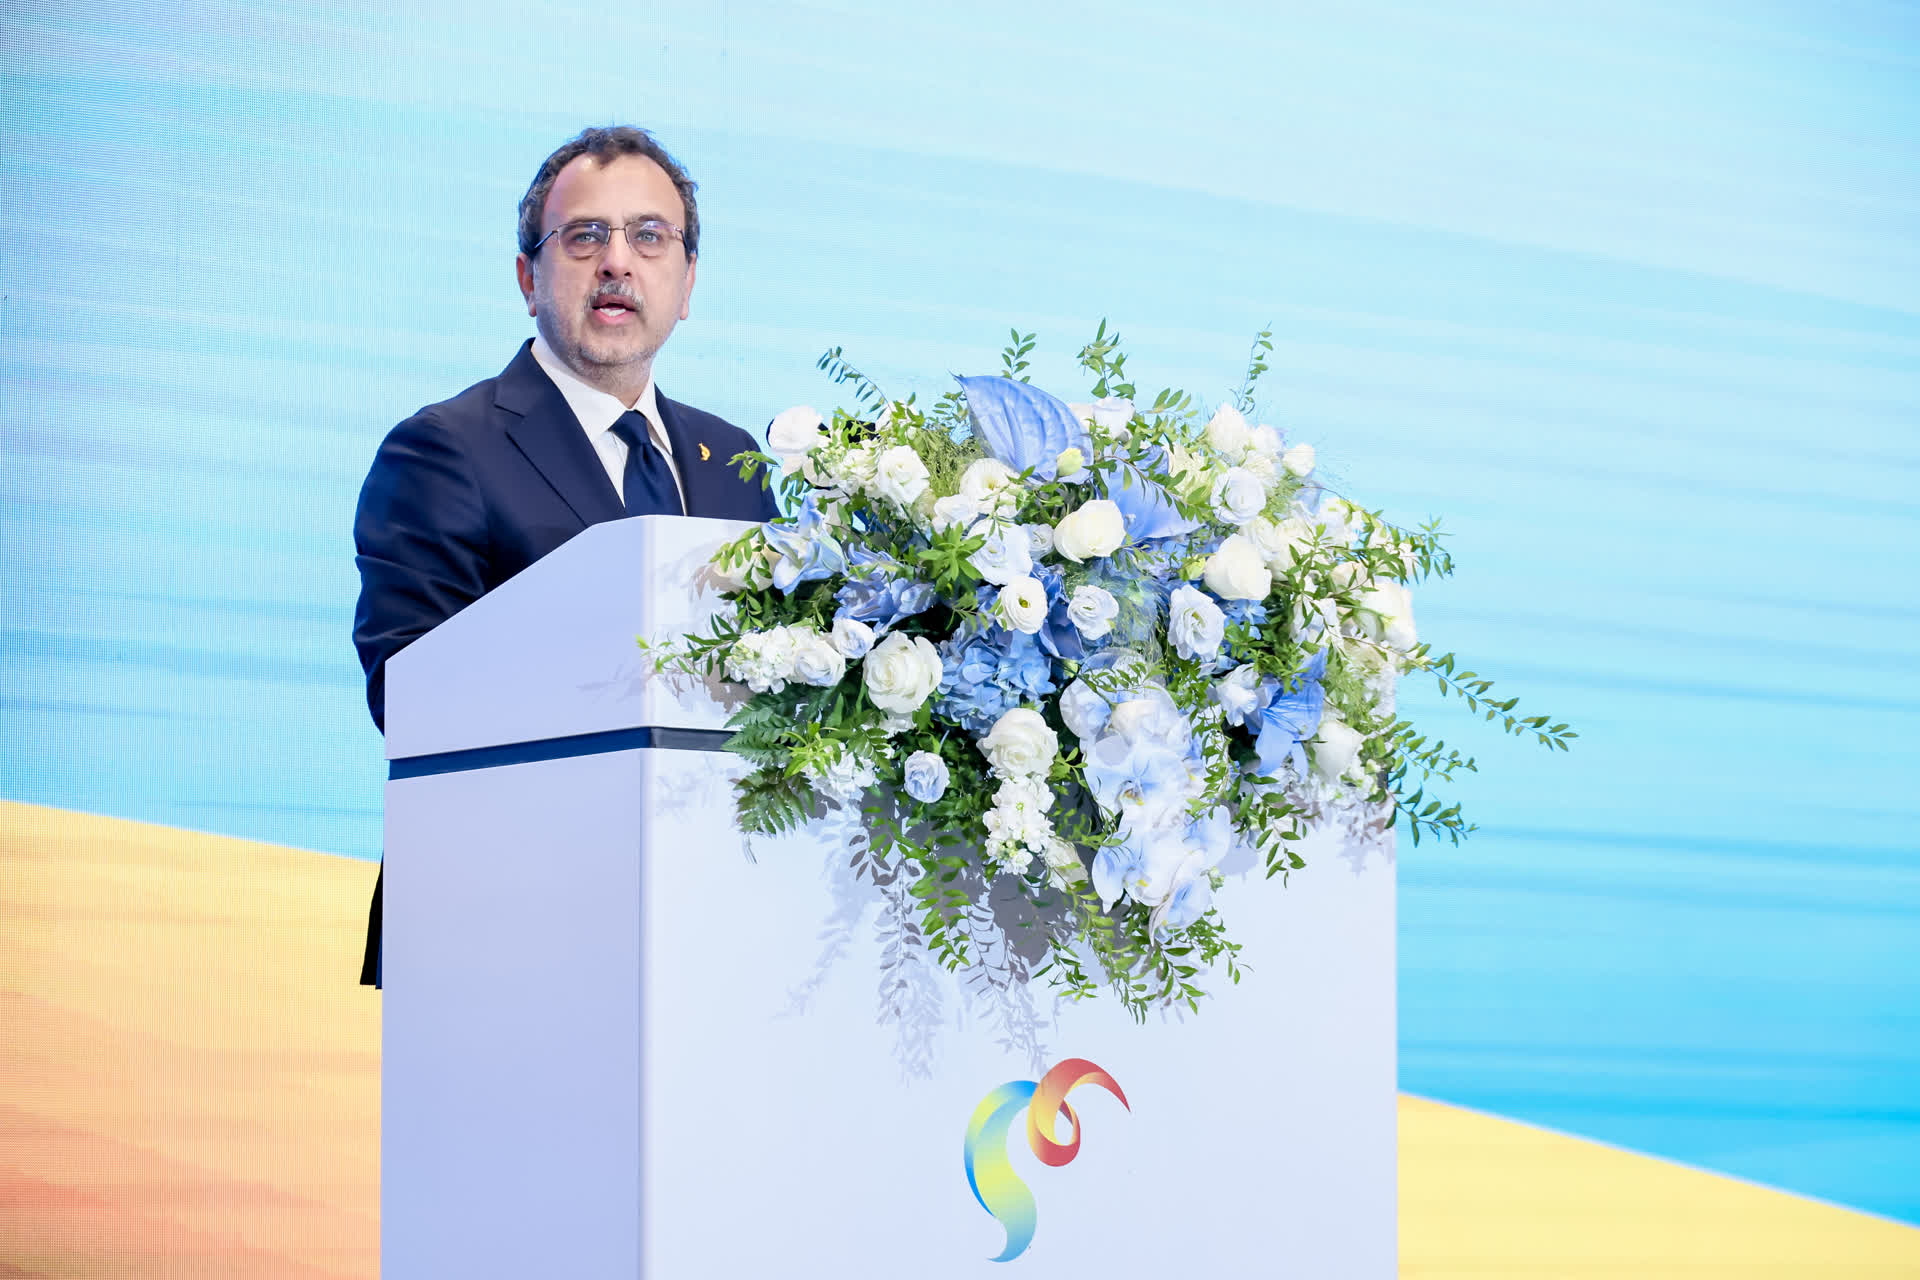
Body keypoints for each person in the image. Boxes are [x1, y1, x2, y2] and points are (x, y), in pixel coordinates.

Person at [351, 126, 779, 985]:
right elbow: (411, 691)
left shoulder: (733, 459)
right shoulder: (445, 449)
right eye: (584, 236)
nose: (617, 262)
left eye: (649, 236)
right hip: (503, 921)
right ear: (528, 278)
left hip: (712, 922)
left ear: (687, 283)